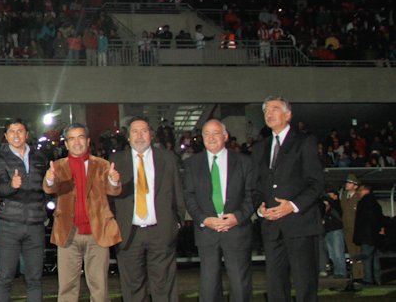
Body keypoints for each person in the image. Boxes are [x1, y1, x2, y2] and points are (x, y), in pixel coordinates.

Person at [253, 96, 324, 302]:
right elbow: (257, 187)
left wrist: (292, 206)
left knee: (305, 283)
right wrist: (260, 208)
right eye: (266, 110)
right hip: (271, 227)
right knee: (275, 285)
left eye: (274, 109)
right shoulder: (260, 148)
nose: (269, 113)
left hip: (300, 225)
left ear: (288, 114)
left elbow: (317, 183)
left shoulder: (305, 141)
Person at [42, 123, 122, 302]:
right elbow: (49, 188)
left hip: (97, 233)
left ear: (88, 141)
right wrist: (49, 179)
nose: (76, 142)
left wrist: (114, 181)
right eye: (72, 138)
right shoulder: (58, 166)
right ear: (66, 144)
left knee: (100, 289)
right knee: (67, 289)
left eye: (80, 137)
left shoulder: (102, 164)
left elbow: (113, 191)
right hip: (68, 233)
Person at [109, 117, 184, 302]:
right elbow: (109, 198)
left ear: (151, 135)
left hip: (161, 231)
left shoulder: (167, 158)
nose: (139, 136)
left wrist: (177, 224)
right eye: (134, 131)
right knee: (133, 288)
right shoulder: (116, 161)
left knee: (164, 286)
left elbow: (178, 192)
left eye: (144, 131)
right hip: (129, 233)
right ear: (128, 137)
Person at [182, 119, 256, 302]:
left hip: (237, 231)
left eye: (216, 133)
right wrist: (204, 219)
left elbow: (252, 194)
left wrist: (237, 217)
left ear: (225, 136)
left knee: (240, 285)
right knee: (209, 288)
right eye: (206, 134)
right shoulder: (192, 164)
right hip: (207, 232)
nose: (211, 137)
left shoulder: (244, 162)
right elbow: (189, 196)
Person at [0, 118, 50, 302]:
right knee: (5, 278)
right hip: (9, 224)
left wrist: (51, 182)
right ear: (6, 136)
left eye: (20, 131)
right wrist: (12, 185)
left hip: (35, 224)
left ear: (27, 134)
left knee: (35, 279)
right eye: (12, 131)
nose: (16, 135)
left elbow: (47, 189)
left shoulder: (40, 157)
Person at [353, 182, 384, 286]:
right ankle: (377, 279)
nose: (359, 192)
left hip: (366, 235)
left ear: (366, 190)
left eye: (360, 190)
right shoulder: (375, 202)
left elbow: (364, 220)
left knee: (366, 257)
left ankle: (368, 279)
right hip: (374, 235)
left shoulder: (364, 203)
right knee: (374, 257)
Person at [339, 174, 363, 280]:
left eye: (350, 183)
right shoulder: (344, 196)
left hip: (356, 228)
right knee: (352, 251)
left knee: (358, 251)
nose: (347, 185)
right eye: (347, 183)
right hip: (347, 228)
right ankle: (355, 274)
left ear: (355, 186)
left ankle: (361, 274)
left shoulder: (359, 197)